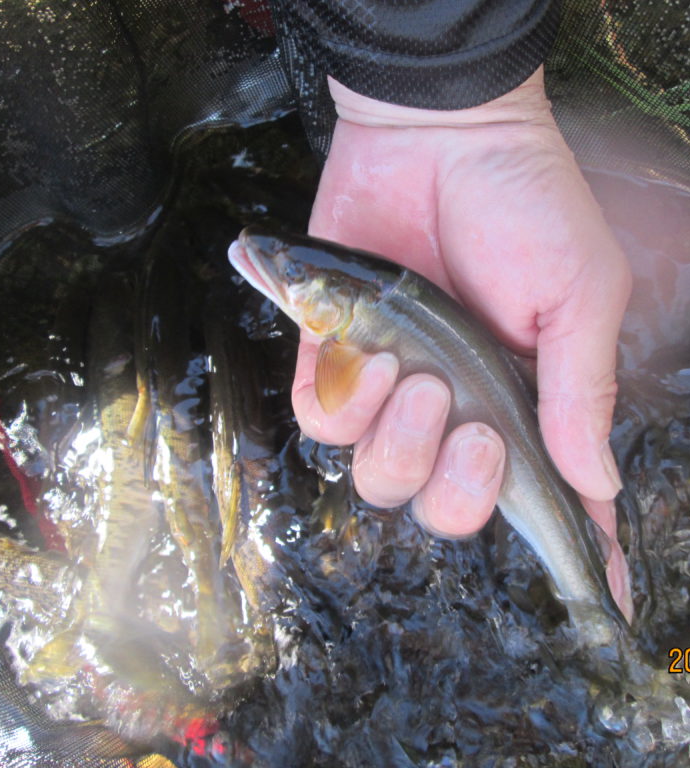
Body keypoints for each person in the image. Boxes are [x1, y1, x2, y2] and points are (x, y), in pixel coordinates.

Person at [270, 1, 633, 618]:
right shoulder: (358, 315)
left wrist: (446, 103)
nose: (279, 273)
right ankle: (593, 610)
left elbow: (334, 393)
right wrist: (447, 89)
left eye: (295, 273)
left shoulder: (346, 341)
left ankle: (592, 609)